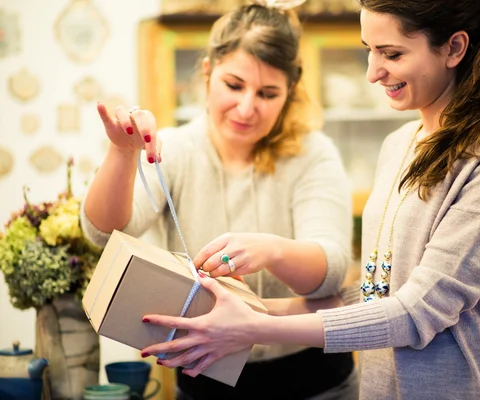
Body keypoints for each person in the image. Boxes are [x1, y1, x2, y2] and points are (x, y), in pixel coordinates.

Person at [139, 0, 480, 399]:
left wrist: (254, 328)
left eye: (391, 53)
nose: (372, 73)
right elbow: (381, 293)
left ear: (454, 48)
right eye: (369, 50)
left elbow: (420, 310)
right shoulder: (400, 145)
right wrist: (254, 310)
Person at [80, 3, 359, 400]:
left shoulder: (313, 154)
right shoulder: (174, 150)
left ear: (290, 92)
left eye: (268, 93)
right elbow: (103, 234)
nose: (247, 108)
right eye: (234, 85)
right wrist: (122, 155)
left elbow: (330, 273)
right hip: (203, 380)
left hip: (316, 383)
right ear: (208, 72)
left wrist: (272, 250)